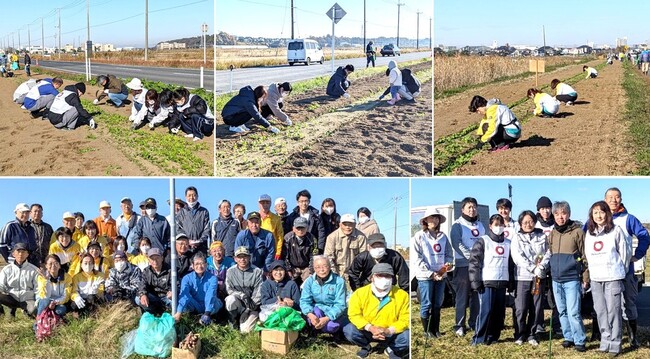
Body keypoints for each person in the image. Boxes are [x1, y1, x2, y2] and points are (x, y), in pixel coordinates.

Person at [600, 187, 649, 349]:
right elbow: (585, 236)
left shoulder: (628, 219)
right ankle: (609, 336)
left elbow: (643, 236)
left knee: (629, 304)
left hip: (625, 271)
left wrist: (637, 255)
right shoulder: (598, 217)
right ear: (605, 199)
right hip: (604, 272)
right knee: (607, 306)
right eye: (610, 197)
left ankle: (633, 337)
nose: (613, 200)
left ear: (621, 199)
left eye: (617, 197)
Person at [584, 201, 630, 356]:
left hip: (612, 277)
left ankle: (616, 344)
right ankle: (605, 340)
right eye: (595, 212)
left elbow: (624, 253)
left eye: (601, 212)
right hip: (596, 278)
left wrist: (619, 271)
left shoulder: (616, 230)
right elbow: (588, 255)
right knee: (600, 311)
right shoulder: (589, 233)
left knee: (613, 311)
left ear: (607, 214)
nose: (598, 215)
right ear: (591, 215)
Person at [345, 263, 410, 359]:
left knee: (407, 337)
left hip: (391, 332)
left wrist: (389, 330)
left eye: (387, 276)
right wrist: (370, 328)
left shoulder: (402, 295)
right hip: (367, 330)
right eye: (379, 275)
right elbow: (354, 315)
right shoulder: (359, 293)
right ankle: (366, 347)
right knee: (349, 330)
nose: (383, 279)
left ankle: (391, 348)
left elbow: (405, 318)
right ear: (372, 278)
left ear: (392, 278)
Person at [548, 201, 588, 352]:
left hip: (572, 278)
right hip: (556, 279)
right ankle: (568, 337)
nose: (560, 217)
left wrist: (585, 277)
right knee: (562, 311)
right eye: (557, 214)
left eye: (563, 213)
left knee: (573, 311)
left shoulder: (577, 232)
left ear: (569, 214)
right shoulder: (552, 233)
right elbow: (550, 253)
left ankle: (580, 339)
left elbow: (584, 256)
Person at [469, 214, 515, 346]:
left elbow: (511, 265)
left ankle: (494, 336)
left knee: (499, 312)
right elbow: (474, 263)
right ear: (490, 226)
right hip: (486, 281)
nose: (499, 227)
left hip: (502, 282)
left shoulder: (508, 243)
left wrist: (511, 282)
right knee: (486, 311)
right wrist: (475, 281)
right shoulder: (483, 241)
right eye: (496, 225)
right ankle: (478, 338)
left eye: (501, 225)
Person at [511, 210, 551, 346]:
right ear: (520, 223)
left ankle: (531, 334)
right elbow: (517, 257)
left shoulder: (542, 236)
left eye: (531, 221)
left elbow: (548, 252)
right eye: (525, 222)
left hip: (539, 277)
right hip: (522, 277)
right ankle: (520, 334)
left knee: (536, 307)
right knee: (521, 308)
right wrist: (532, 267)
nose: (528, 224)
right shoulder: (516, 237)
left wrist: (542, 267)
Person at [413, 207, 453, 338]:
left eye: (436, 218)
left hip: (441, 275)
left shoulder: (443, 237)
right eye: (431, 217)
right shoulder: (419, 236)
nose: (434, 220)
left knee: (437, 303)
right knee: (426, 303)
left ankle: (436, 329)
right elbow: (417, 258)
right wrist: (431, 273)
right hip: (426, 276)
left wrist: (447, 265)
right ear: (425, 220)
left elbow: (448, 254)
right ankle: (427, 330)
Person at [449, 197, 484, 337]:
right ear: (462, 209)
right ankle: (459, 325)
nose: (472, 209)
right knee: (462, 297)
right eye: (469, 207)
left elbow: (484, 243)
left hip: (478, 266)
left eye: (474, 207)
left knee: (476, 295)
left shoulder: (480, 225)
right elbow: (457, 244)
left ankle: (474, 322)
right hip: (463, 266)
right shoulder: (457, 225)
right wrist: (472, 257)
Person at [300, 255, 348, 335]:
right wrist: (310, 314)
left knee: (331, 327)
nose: (321, 270)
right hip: (318, 308)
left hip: (333, 311)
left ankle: (332, 331)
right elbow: (304, 300)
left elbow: (340, 305)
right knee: (315, 315)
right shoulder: (310, 281)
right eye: (318, 267)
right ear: (314, 269)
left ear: (329, 267)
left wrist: (327, 318)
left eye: (324, 266)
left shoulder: (339, 281)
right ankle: (316, 330)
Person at [174, 252, 222, 325]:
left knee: (216, 302)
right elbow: (185, 294)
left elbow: (210, 294)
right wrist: (179, 312)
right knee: (184, 300)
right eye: (197, 264)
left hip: (209, 305)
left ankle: (210, 317)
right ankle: (193, 319)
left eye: (202, 263)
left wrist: (207, 312)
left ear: (206, 265)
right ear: (192, 266)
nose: (200, 266)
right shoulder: (187, 278)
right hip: (195, 304)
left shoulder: (213, 278)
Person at [225, 246, 264, 333]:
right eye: (239, 257)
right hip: (239, 303)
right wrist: (242, 295)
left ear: (249, 257)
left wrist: (248, 310)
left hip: (252, 306)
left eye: (245, 256)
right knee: (230, 300)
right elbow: (229, 289)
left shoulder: (257, 271)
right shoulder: (230, 271)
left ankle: (246, 321)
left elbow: (259, 293)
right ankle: (233, 321)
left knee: (245, 331)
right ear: (235, 259)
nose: (242, 259)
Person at [324, 213, 367, 281]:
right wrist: (334, 275)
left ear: (355, 225)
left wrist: (358, 274)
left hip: (355, 274)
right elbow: (328, 258)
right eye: (345, 224)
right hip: (336, 273)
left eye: (350, 224)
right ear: (340, 224)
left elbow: (364, 258)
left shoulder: (361, 237)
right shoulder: (332, 237)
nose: (347, 227)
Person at [0, 243, 39, 317]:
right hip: (11, 298)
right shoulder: (6, 269)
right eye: (18, 251)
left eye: (23, 252)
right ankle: (1, 314)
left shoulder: (34, 270)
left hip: (27, 299)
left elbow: (37, 289)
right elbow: (1, 285)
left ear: (27, 254)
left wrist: (36, 302)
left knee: (34, 311)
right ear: (13, 254)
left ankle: (27, 312)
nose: (21, 254)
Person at [286, 190, 326, 255]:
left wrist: (320, 249)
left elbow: (321, 233)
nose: (304, 203)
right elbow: (288, 232)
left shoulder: (316, 216)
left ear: (309, 201)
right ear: (297, 202)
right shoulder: (292, 216)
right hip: (295, 248)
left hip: (312, 246)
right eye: (301, 201)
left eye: (306, 201)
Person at [136, 248, 172, 314]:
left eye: (157, 258)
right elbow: (142, 284)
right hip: (153, 297)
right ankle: (153, 312)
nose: (155, 261)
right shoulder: (146, 271)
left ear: (162, 258)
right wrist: (143, 294)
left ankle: (168, 314)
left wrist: (172, 291)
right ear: (149, 260)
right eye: (152, 259)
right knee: (138, 299)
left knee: (176, 301)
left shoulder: (170, 270)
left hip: (167, 297)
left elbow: (176, 284)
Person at [282, 217, 316, 286]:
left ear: (307, 228)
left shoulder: (312, 239)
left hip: (306, 267)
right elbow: (285, 256)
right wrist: (288, 269)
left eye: (303, 228)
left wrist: (311, 271)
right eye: (298, 228)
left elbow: (314, 256)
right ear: (293, 228)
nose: (300, 230)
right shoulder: (287, 238)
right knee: (288, 283)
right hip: (292, 267)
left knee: (310, 283)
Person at [176, 186, 211, 253]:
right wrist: (187, 241)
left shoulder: (204, 211)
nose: (191, 198)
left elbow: (207, 228)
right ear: (186, 197)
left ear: (197, 196)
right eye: (189, 195)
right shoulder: (181, 212)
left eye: (194, 195)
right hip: (186, 248)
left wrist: (199, 241)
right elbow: (178, 229)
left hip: (201, 247)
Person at [257, 194, 284, 259]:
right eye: (262, 202)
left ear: (270, 204)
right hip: (256, 252)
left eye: (267, 202)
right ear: (258, 204)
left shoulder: (276, 218)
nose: (265, 205)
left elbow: (280, 237)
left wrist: (278, 252)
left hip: (271, 252)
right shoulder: (253, 217)